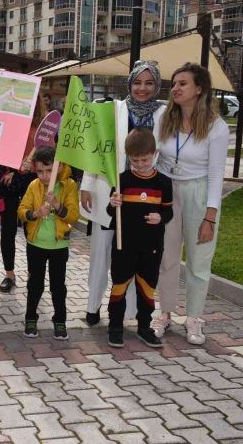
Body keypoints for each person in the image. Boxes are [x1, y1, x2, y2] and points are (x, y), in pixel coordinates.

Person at [80, 60, 165, 327]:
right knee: (102, 251)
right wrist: (86, 184)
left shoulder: (164, 114)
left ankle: (127, 312)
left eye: (149, 83)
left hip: (143, 197)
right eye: (138, 82)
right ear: (129, 83)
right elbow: (97, 147)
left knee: (133, 254)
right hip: (110, 191)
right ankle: (93, 306)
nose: (142, 88)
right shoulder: (113, 109)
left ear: (157, 86)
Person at [153, 63, 230, 345]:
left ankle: (194, 318)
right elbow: (154, 157)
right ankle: (165, 313)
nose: (175, 88)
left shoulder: (216, 127)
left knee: (198, 263)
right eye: (174, 83)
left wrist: (210, 217)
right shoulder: (163, 116)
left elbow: (215, 176)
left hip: (199, 193)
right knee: (167, 257)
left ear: (199, 89)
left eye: (182, 83)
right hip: (167, 191)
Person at [106, 128, 173, 348]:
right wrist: (112, 204)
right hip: (124, 245)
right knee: (119, 285)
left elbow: (168, 213)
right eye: (135, 160)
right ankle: (115, 327)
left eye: (144, 159)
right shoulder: (122, 179)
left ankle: (144, 327)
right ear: (128, 157)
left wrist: (160, 217)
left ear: (154, 154)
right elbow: (110, 212)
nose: (140, 164)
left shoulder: (163, 182)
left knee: (147, 287)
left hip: (151, 246)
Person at [17, 146, 79, 341]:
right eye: (40, 171)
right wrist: (34, 214)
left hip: (59, 245)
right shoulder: (33, 186)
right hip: (36, 244)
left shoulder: (68, 185)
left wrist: (57, 205)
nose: (44, 176)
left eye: (49, 170)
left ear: (58, 167)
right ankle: (30, 318)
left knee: (58, 285)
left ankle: (60, 321)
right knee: (35, 284)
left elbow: (73, 215)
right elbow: (22, 210)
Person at [0, 92, 49, 294]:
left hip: (34, 182)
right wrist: (10, 170)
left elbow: (49, 156)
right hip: (10, 180)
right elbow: (0, 149)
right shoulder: (9, 122)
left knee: (32, 229)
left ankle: (32, 274)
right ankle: (9, 274)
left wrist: (32, 165)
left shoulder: (43, 126)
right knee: (8, 230)